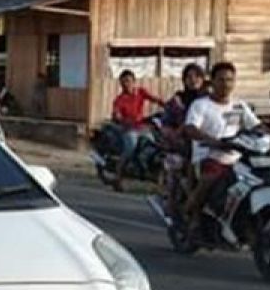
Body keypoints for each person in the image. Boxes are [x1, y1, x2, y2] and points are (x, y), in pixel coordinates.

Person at [182, 61, 261, 239]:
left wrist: (268, 136)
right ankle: (191, 211)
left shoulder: (239, 106)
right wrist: (212, 141)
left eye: (230, 80)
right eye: (221, 79)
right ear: (212, 81)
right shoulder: (201, 105)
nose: (226, 84)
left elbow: (256, 126)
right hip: (208, 156)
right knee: (210, 178)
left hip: (236, 157)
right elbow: (190, 128)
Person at [161, 63, 208, 218]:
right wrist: (176, 134)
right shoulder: (177, 101)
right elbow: (166, 125)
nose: (193, 80)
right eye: (189, 77)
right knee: (178, 168)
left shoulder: (209, 100)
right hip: (182, 146)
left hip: (208, 145)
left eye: (197, 76)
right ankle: (173, 206)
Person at [110, 70, 165, 191]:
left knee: (154, 144)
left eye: (129, 81)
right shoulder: (120, 99)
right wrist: (119, 117)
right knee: (130, 149)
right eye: (123, 82)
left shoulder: (140, 92)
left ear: (134, 82)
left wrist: (167, 105)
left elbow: (154, 99)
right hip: (129, 129)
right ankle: (117, 178)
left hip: (142, 127)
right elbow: (116, 113)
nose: (126, 84)